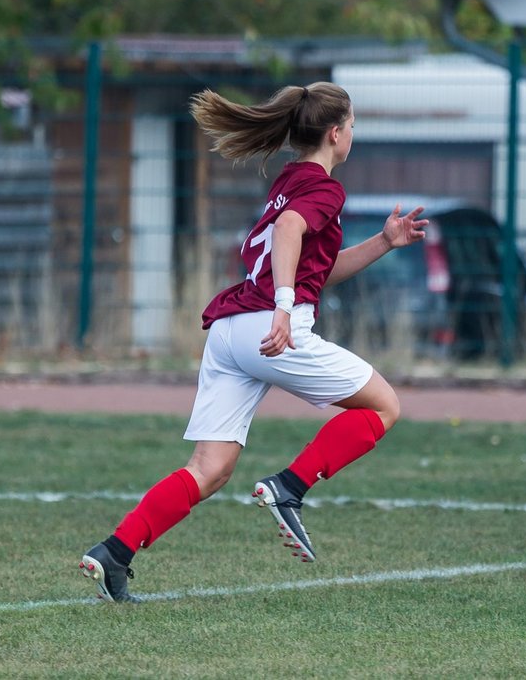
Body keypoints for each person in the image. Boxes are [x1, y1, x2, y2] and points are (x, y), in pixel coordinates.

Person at [80, 81, 427, 603]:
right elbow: (290, 231)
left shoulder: (292, 179)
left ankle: (115, 553)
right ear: (335, 134)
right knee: (384, 406)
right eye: (352, 125)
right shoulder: (324, 190)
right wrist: (285, 310)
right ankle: (289, 487)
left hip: (231, 330)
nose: (353, 133)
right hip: (270, 325)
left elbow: (316, 268)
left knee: (210, 468)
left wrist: (383, 242)